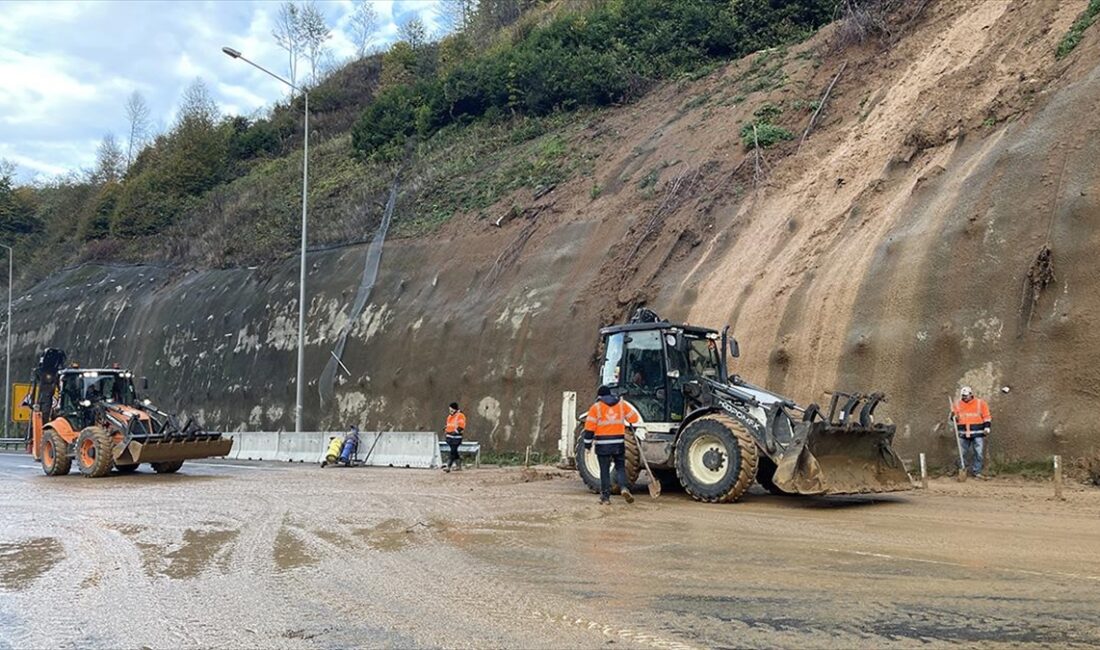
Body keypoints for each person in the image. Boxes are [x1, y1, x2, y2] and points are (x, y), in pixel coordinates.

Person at [583, 385, 638, 505]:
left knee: (604, 471)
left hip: (603, 445)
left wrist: (587, 446)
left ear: (599, 396)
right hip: (618, 443)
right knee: (620, 468)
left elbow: (589, 430)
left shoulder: (595, 408)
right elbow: (634, 418)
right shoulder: (621, 405)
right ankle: (624, 488)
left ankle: (606, 497)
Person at [952, 386, 991, 479]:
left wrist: (987, 427)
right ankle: (962, 469)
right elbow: (954, 418)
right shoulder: (957, 404)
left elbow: (986, 416)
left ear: (971, 394)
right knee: (962, 453)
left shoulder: (980, 403)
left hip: (978, 433)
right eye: (963, 396)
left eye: (966, 396)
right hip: (963, 433)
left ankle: (976, 472)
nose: (964, 397)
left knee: (978, 453)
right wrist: (953, 417)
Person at [443, 402, 466, 473]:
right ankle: (459, 466)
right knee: (454, 451)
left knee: (452, 451)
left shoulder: (460, 415)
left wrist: (455, 431)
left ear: (455, 409)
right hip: (450, 437)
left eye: (452, 409)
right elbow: (449, 425)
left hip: (456, 437)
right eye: (450, 410)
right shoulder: (449, 416)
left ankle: (448, 466)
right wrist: (446, 429)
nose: (450, 411)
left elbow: (461, 426)